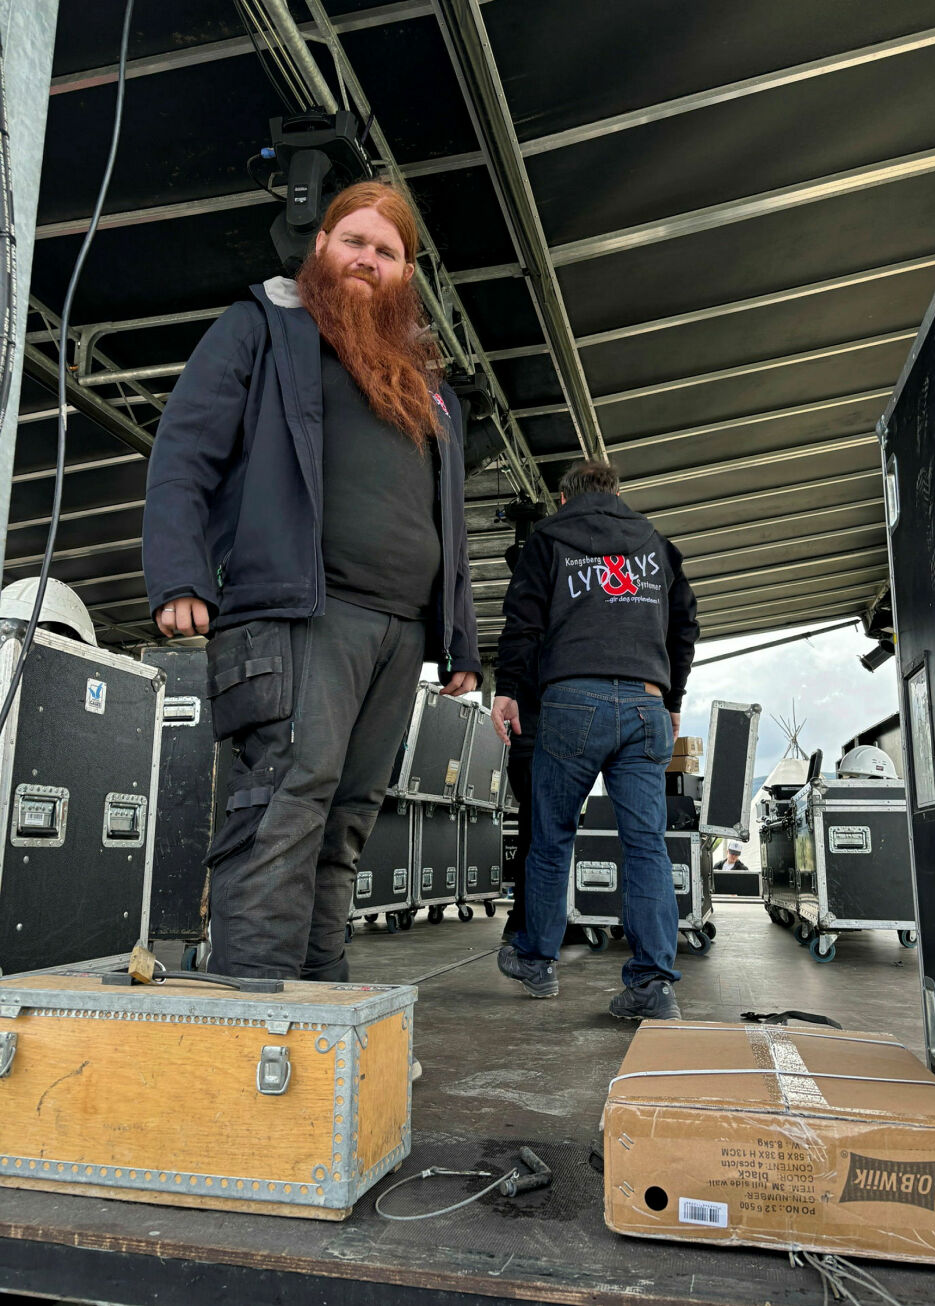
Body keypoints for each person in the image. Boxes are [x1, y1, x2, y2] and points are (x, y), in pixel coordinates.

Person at [143, 179, 480, 981]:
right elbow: (184, 453)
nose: (368, 258)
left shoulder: (428, 386)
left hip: (398, 633)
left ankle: (322, 1014)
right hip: (299, 616)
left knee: (346, 825)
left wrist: (458, 637)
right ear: (321, 248)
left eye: (388, 252)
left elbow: (450, 520)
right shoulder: (263, 326)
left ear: (406, 275)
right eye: (354, 240)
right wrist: (180, 576)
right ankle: (255, 1014)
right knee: (283, 810)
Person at [490, 459, 699, 1020]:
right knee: (646, 844)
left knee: (553, 837)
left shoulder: (549, 540)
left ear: (562, 499)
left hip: (571, 702)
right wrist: (672, 698)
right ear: (617, 493)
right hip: (646, 704)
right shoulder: (656, 545)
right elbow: (685, 627)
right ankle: (652, 985)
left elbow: (523, 622)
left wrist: (508, 689)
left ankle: (536, 960)